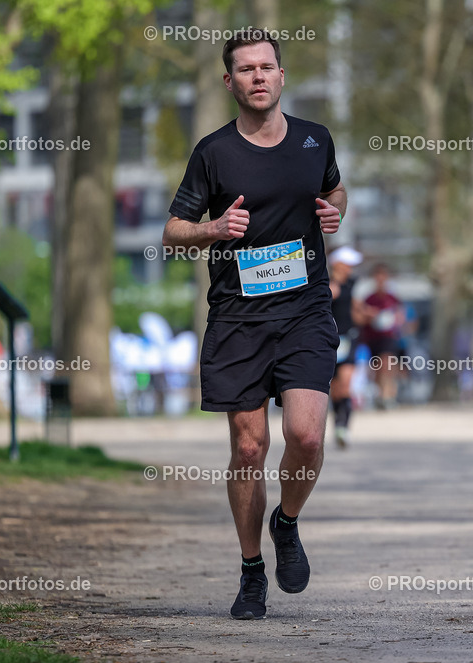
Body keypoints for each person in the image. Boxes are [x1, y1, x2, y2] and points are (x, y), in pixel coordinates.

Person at [162, 31, 347, 620]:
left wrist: (335, 210)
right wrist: (211, 231)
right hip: (239, 317)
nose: (258, 77)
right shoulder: (213, 153)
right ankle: (250, 571)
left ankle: (286, 522)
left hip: (305, 310)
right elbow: (172, 232)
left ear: (282, 75)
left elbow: (335, 190)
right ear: (230, 82)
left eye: (267, 67)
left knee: (307, 435)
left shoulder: (315, 140)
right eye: (246, 69)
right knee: (249, 446)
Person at [328, 246, 367, 448]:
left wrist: (367, 314)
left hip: (350, 339)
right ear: (338, 265)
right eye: (348, 264)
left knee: (346, 384)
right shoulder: (328, 287)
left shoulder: (353, 285)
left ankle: (344, 426)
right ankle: (338, 423)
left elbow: (359, 312)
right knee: (335, 388)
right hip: (331, 342)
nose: (351, 268)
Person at [361, 263, 403, 409]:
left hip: (389, 337)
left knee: (387, 364)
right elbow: (361, 318)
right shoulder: (369, 299)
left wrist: (396, 319)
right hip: (372, 338)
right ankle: (381, 394)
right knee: (378, 368)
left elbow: (401, 316)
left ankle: (388, 395)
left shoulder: (392, 298)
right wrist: (370, 316)